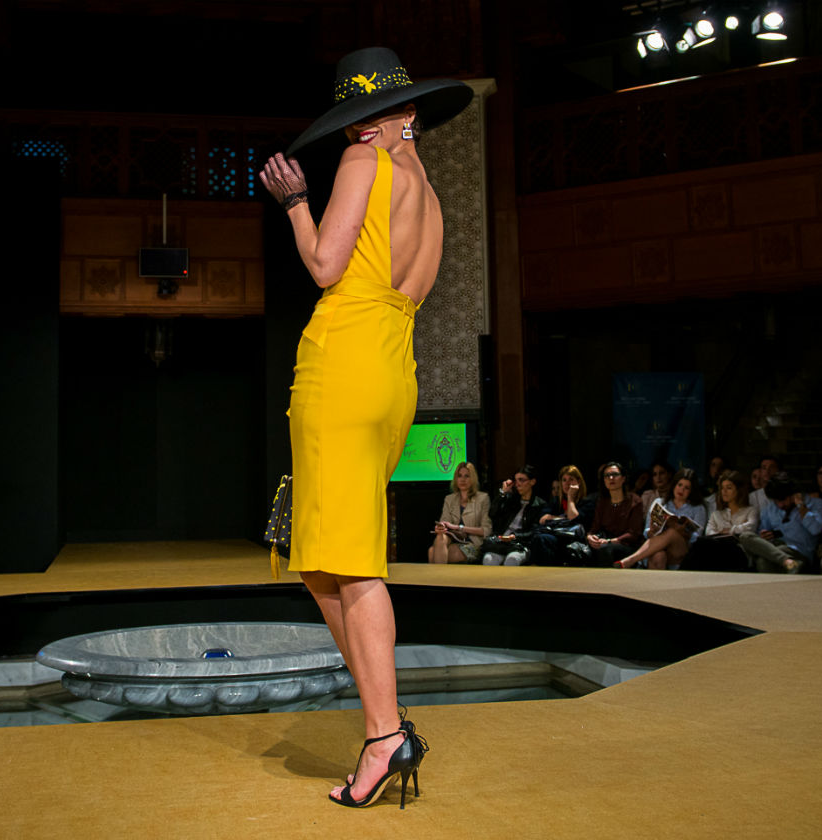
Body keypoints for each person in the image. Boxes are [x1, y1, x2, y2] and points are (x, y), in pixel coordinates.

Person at [259, 46, 472, 809]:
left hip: (345, 360)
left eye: (374, 114)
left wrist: (294, 203)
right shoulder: (431, 196)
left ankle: (385, 735)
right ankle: (387, 721)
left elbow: (324, 265)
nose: (362, 130)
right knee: (321, 560)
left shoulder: (360, 164)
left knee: (349, 562)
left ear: (407, 112)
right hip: (393, 368)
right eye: (356, 119)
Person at [615, 468, 707, 570]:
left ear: (691, 491)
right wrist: (652, 530)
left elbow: (698, 539)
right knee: (659, 556)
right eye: (679, 485)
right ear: (674, 485)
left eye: (687, 488)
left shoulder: (698, 508)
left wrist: (683, 532)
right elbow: (647, 532)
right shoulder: (659, 503)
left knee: (672, 532)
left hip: (681, 549)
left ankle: (631, 560)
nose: (681, 490)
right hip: (658, 547)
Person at [738, 472, 822, 574]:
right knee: (745, 536)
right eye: (776, 501)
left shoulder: (815, 504)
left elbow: (816, 529)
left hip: (800, 552)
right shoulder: (770, 509)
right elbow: (761, 536)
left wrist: (801, 506)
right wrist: (765, 535)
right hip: (775, 548)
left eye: (783, 500)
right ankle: (788, 562)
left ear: (793, 494)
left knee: (763, 562)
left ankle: (790, 563)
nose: (780, 505)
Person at [683, 470, 757, 571]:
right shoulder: (716, 514)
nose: (724, 491)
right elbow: (709, 533)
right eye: (722, 488)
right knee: (702, 544)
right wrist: (726, 533)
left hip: (739, 552)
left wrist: (730, 530)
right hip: (717, 550)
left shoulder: (751, 510)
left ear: (739, 490)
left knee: (703, 546)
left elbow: (750, 527)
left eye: (729, 488)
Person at [481, 465, 547, 566]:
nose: (517, 484)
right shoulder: (511, 500)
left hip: (521, 544)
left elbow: (535, 531)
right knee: (488, 559)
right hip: (502, 542)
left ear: (532, 482)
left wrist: (515, 536)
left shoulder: (539, 504)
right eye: (516, 481)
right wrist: (503, 493)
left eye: (521, 480)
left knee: (512, 559)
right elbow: (492, 513)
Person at [530, 464, 595, 566]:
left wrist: (570, 498)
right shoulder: (556, 501)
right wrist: (564, 518)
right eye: (564, 480)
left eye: (571, 479)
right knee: (539, 538)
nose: (567, 483)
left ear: (579, 482)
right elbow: (543, 519)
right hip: (556, 535)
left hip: (574, 540)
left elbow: (574, 518)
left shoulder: (587, 502)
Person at [428, 462, 492, 564]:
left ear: (473, 479)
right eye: (459, 476)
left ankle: (439, 574)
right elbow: (445, 521)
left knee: (433, 552)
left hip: (473, 543)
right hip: (452, 539)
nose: (462, 479)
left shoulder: (483, 498)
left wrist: (459, 527)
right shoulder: (449, 499)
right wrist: (441, 527)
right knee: (440, 537)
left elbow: (486, 531)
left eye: (467, 476)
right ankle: (441, 574)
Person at [586, 461, 644, 568]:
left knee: (606, 549)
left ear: (623, 478)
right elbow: (594, 528)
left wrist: (610, 541)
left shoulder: (635, 501)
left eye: (615, 474)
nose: (611, 478)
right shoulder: (602, 502)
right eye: (607, 475)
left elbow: (634, 534)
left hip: (628, 546)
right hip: (605, 542)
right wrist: (590, 537)